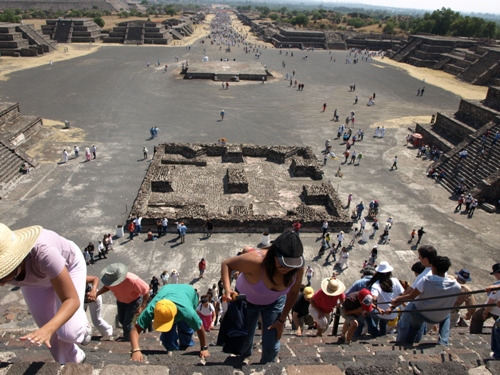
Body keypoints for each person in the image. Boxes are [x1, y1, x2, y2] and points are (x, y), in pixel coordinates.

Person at [0, 223, 91, 364]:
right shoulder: (13, 271)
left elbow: (71, 300)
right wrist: (47, 330)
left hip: (68, 267)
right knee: (51, 339)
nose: (1, 283)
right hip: (33, 282)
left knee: (68, 332)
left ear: (15, 261)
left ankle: (83, 327)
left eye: (2, 275)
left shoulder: (43, 253)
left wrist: (48, 329)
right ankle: (74, 360)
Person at [221, 231, 305, 363]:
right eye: (282, 264)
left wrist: (282, 320)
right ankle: (243, 357)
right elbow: (227, 264)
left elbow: (293, 293)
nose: (286, 269)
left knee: (272, 342)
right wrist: (227, 289)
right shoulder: (256, 261)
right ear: (274, 256)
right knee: (245, 337)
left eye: (290, 266)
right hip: (246, 302)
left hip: (274, 302)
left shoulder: (297, 268)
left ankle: (268, 364)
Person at [129, 284, 210, 361]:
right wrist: (136, 350)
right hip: (167, 290)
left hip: (189, 294)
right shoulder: (152, 309)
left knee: (186, 329)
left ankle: (186, 345)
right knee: (167, 336)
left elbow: (199, 327)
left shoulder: (187, 312)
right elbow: (135, 330)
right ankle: (172, 348)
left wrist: (204, 348)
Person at [392, 256, 461, 345]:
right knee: (447, 316)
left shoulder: (425, 280)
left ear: (434, 268)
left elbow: (411, 297)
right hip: (440, 316)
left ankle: (407, 344)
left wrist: (397, 299)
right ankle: (443, 341)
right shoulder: (456, 286)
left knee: (414, 327)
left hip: (421, 313)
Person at [96, 263, 150, 342]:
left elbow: (146, 290)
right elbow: (107, 286)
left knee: (126, 325)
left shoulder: (132, 280)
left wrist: (142, 306)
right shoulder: (110, 279)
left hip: (133, 302)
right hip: (121, 301)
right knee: (121, 320)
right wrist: (97, 293)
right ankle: (133, 330)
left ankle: (129, 340)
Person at [365, 262, 405, 336]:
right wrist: (392, 307)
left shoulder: (376, 285)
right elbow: (403, 296)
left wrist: (377, 308)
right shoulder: (395, 281)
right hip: (393, 313)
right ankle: (382, 335)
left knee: (367, 315)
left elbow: (373, 300)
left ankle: (375, 333)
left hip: (381, 312)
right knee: (383, 324)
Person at [470, 263, 500, 334]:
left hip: (494, 309)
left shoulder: (495, 289)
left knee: (477, 317)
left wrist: (485, 312)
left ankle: (475, 334)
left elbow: (491, 302)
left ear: (497, 274)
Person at [84, 275, 114, 340]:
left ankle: (108, 333)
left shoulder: (77, 276)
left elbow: (95, 278)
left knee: (96, 321)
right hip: (80, 301)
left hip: (94, 298)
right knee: (79, 320)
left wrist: (93, 291)